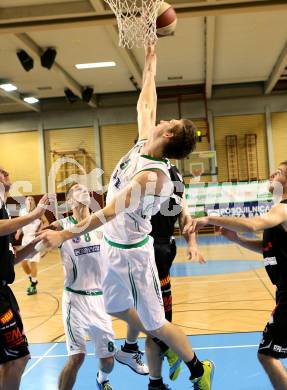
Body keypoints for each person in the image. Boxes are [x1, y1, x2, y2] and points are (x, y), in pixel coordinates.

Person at [37, 45, 215, 390]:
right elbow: (145, 103)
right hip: (114, 251)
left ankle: (196, 365)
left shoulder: (152, 177)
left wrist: (64, 234)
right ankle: (162, 343)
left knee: (156, 323)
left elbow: (107, 212)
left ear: (167, 136)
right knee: (117, 308)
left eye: (169, 122)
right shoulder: (142, 145)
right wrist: (151, 64)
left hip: (134, 256)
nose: (163, 118)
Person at [187, 161, 287, 390]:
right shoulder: (278, 210)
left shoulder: (283, 209)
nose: (272, 174)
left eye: (279, 173)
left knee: (267, 354)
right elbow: (267, 245)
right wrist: (238, 241)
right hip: (282, 290)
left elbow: (253, 225)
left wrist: (209, 218)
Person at [116, 164, 205, 383]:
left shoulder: (174, 175)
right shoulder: (138, 171)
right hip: (140, 250)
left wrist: (192, 243)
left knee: (152, 318)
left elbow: (185, 215)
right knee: (146, 316)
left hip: (162, 251)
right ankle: (159, 358)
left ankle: (153, 368)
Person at [46, 184, 116, 390]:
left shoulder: (102, 222)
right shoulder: (62, 226)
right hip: (75, 300)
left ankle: (102, 378)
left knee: (108, 362)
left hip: (100, 300)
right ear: (69, 201)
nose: (83, 190)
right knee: (77, 357)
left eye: (85, 188)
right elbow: (43, 240)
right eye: (77, 188)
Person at [0, 165, 49, 390]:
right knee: (18, 357)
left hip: (4, 291)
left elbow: (13, 257)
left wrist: (41, 242)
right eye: (1, 172)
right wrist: (34, 215)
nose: (6, 174)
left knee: (11, 360)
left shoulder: (5, 209)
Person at [15, 196, 48, 295]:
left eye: (31, 199)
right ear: (25, 202)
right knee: (23, 263)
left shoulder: (38, 212)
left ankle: (33, 285)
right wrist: (18, 233)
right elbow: (20, 224)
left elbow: (46, 222)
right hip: (25, 239)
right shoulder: (22, 212)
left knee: (33, 262)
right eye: (28, 199)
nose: (30, 201)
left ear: (34, 202)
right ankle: (32, 279)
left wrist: (41, 229)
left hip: (34, 239)